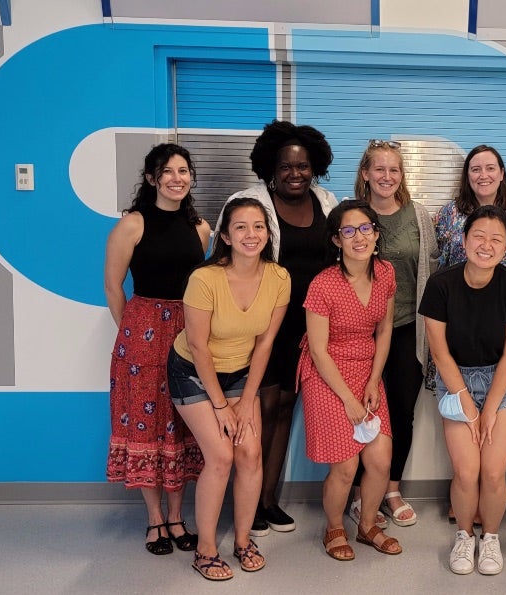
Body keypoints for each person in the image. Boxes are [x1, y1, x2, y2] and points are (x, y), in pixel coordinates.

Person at [219, 120, 337, 535]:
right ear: (271, 167)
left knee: (286, 408)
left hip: (307, 328)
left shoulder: (326, 201)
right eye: (286, 166)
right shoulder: (249, 202)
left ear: (314, 168)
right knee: (259, 411)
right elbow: (224, 260)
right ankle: (246, 504)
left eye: (303, 166)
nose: (295, 174)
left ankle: (268, 499)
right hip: (262, 326)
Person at [168, 196, 290, 580]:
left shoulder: (279, 278)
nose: (250, 234)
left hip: (240, 372)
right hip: (192, 370)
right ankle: (205, 550)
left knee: (251, 452)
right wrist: (223, 408)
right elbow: (200, 346)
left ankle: (242, 541)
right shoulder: (204, 279)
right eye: (241, 227)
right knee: (221, 455)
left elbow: (264, 344)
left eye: (258, 227)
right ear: (225, 236)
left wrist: (247, 399)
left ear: (267, 234)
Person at [104, 143, 209, 557]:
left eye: (184, 170)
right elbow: (114, 287)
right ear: (152, 179)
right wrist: (131, 332)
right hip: (141, 335)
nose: (177, 178)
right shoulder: (133, 224)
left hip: (189, 331)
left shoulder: (200, 228)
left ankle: (179, 517)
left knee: (182, 427)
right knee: (146, 428)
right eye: (167, 171)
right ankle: (154, 519)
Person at [420, 205, 506, 576]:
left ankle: (492, 539)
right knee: (467, 471)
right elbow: (439, 351)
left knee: (493, 472)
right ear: (464, 239)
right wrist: (468, 403)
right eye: (479, 236)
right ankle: (464, 535)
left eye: (496, 240)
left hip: (504, 379)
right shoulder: (441, 284)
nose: (486, 245)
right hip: (456, 379)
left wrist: (489, 410)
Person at [298, 200, 402, 561]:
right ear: (336, 240)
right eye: (348, 230)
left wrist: (374, 380)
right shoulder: (323, 284)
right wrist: (348, 398)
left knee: (380, 459)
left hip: (367, 370)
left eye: (366, 228)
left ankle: (368, 524)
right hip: (326, 374)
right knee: (345, 464)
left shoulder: (386, 271)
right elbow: (318, 350)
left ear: (376, 233)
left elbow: (385, 328)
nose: (359, 237)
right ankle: (334, 528)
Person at [348, 140, 437, 528]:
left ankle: (390, 489)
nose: (387, 177)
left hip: (405, 329)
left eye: (394, 170)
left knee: (401, 412)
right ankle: (356, 491)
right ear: (365, 173)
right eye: (379, 169)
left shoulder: (418, 216)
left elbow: (430, 274)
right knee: (355, 412)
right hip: (356, 333)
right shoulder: (351, 216)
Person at [434, 145, 506, 399]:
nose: (484, 175)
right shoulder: (448, 214)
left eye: (490, 168)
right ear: (467, 175)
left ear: (502, 173)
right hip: (463, 322)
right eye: (476, 169)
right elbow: (436, 262)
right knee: (462, 402)